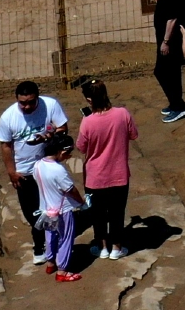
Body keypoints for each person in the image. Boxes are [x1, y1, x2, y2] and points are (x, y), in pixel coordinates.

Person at [0, 81, 70, 265]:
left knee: (52, 209)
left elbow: (63, 128)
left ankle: (48, 246)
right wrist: (11, 172)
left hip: (46, 167)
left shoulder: (50, 105)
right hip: (25, 172)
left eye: (30, 102)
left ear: (37, 98)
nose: (27, 106)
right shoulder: (8, 117)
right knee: (33, 214)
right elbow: (6, 146)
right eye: (22, 103)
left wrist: (51, 135)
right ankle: (41, 245)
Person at [75, 79, 138, 262]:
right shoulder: (122, 114)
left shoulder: (87, 122)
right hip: (119, 175)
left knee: (98, 214)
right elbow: (133, 135)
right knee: (117, 212)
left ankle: (102, 247)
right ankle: (116, 248)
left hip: (95, 177)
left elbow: (81, 147)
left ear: (89, 100)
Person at [31, 132, 86, 281]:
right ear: (62, 151)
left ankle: (50, 262)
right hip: (63, 210)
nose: (68, 157)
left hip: (46, 209)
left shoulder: (37, 165)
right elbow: (70, 190)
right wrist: (82, 202)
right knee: (66, 238)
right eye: (68, 154)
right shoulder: (58, 170)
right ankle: (62, 271)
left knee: (50, 235)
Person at [144, 0, 185, 123]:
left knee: (163, 72)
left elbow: (172, 18)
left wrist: (165, 41)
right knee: (171, 72)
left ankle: (179, 106)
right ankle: (175, 103)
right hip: (173, 37)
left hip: (171, 39)